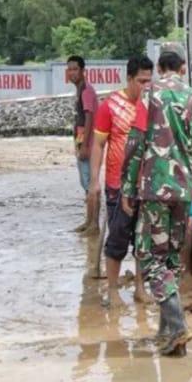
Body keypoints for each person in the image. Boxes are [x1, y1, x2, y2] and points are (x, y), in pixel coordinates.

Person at [121, 42, 192, 357]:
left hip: (155, 190)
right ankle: (169, 336)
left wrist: (127, 188)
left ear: (159, 68)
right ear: (183, 68)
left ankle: (176, 325)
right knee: (172, 259)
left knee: (149, 258)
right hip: (184, 190)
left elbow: (135, 143)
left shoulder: (150, 95)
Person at [88, 56, 154, 306]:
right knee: (117, 240)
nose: (145, 86)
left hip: (146, 186)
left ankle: (139, 288)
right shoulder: (110, 106)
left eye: (149, 81)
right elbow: (98, 144)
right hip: (118, 186)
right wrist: (94, 181)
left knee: (142, 240)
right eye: (141, 81)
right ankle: (113, 291)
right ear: (129, 79)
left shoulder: (152, 106)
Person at [69, 55, 100, 236]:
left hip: (86, 140)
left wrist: (85, 146)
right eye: (70, 69)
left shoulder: (86, 91)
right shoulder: (81, 89)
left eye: (75, 69)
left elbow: (89, 117)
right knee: (87, 184)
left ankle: (93, 224)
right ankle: (89, 222)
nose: (72, 72)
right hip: (82, 139)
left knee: (90, 184)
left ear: (82, 71)